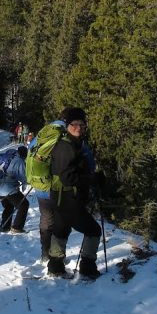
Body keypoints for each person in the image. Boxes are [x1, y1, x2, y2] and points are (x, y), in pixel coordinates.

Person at [47, 107, 103, 279]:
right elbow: (67, 177)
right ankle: (87, 267)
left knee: (61, 229)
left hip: (61, 198)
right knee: (93, 230)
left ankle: (55, 266)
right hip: (68, 199)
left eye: (81, 124)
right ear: (67, 125)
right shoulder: (66, 147)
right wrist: (92, 179)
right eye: (74, 124)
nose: (78, 128)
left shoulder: (71, 143)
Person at [0, 146, 29, 233]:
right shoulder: (19, 161)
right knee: (24, 204)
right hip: (9, 189)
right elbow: (24, 176)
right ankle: (17, 227)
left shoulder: (7, 157)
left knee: (8, 206)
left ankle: (4, 226)